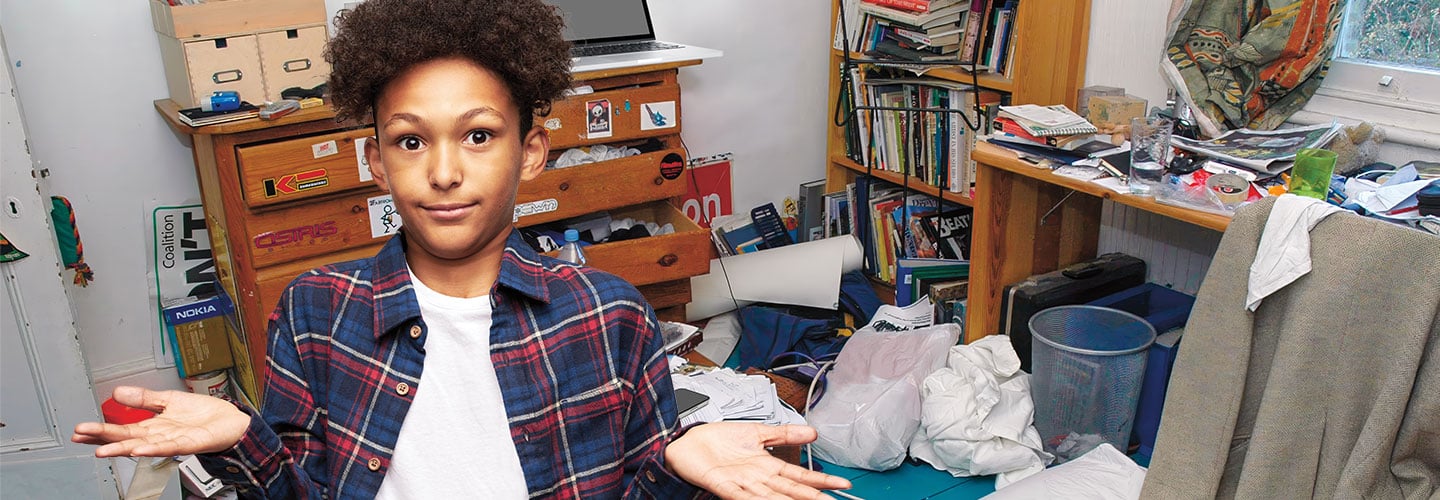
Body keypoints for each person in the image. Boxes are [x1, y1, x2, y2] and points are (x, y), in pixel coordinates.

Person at [71, 0, 851, 498]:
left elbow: (640, 484)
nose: (443, 172)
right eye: (411, 141)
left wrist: (681, 467)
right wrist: (245, 438)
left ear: (532, 151)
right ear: (376, 162)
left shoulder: (609, 317)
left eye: (479, 135)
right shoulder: (313, 313)